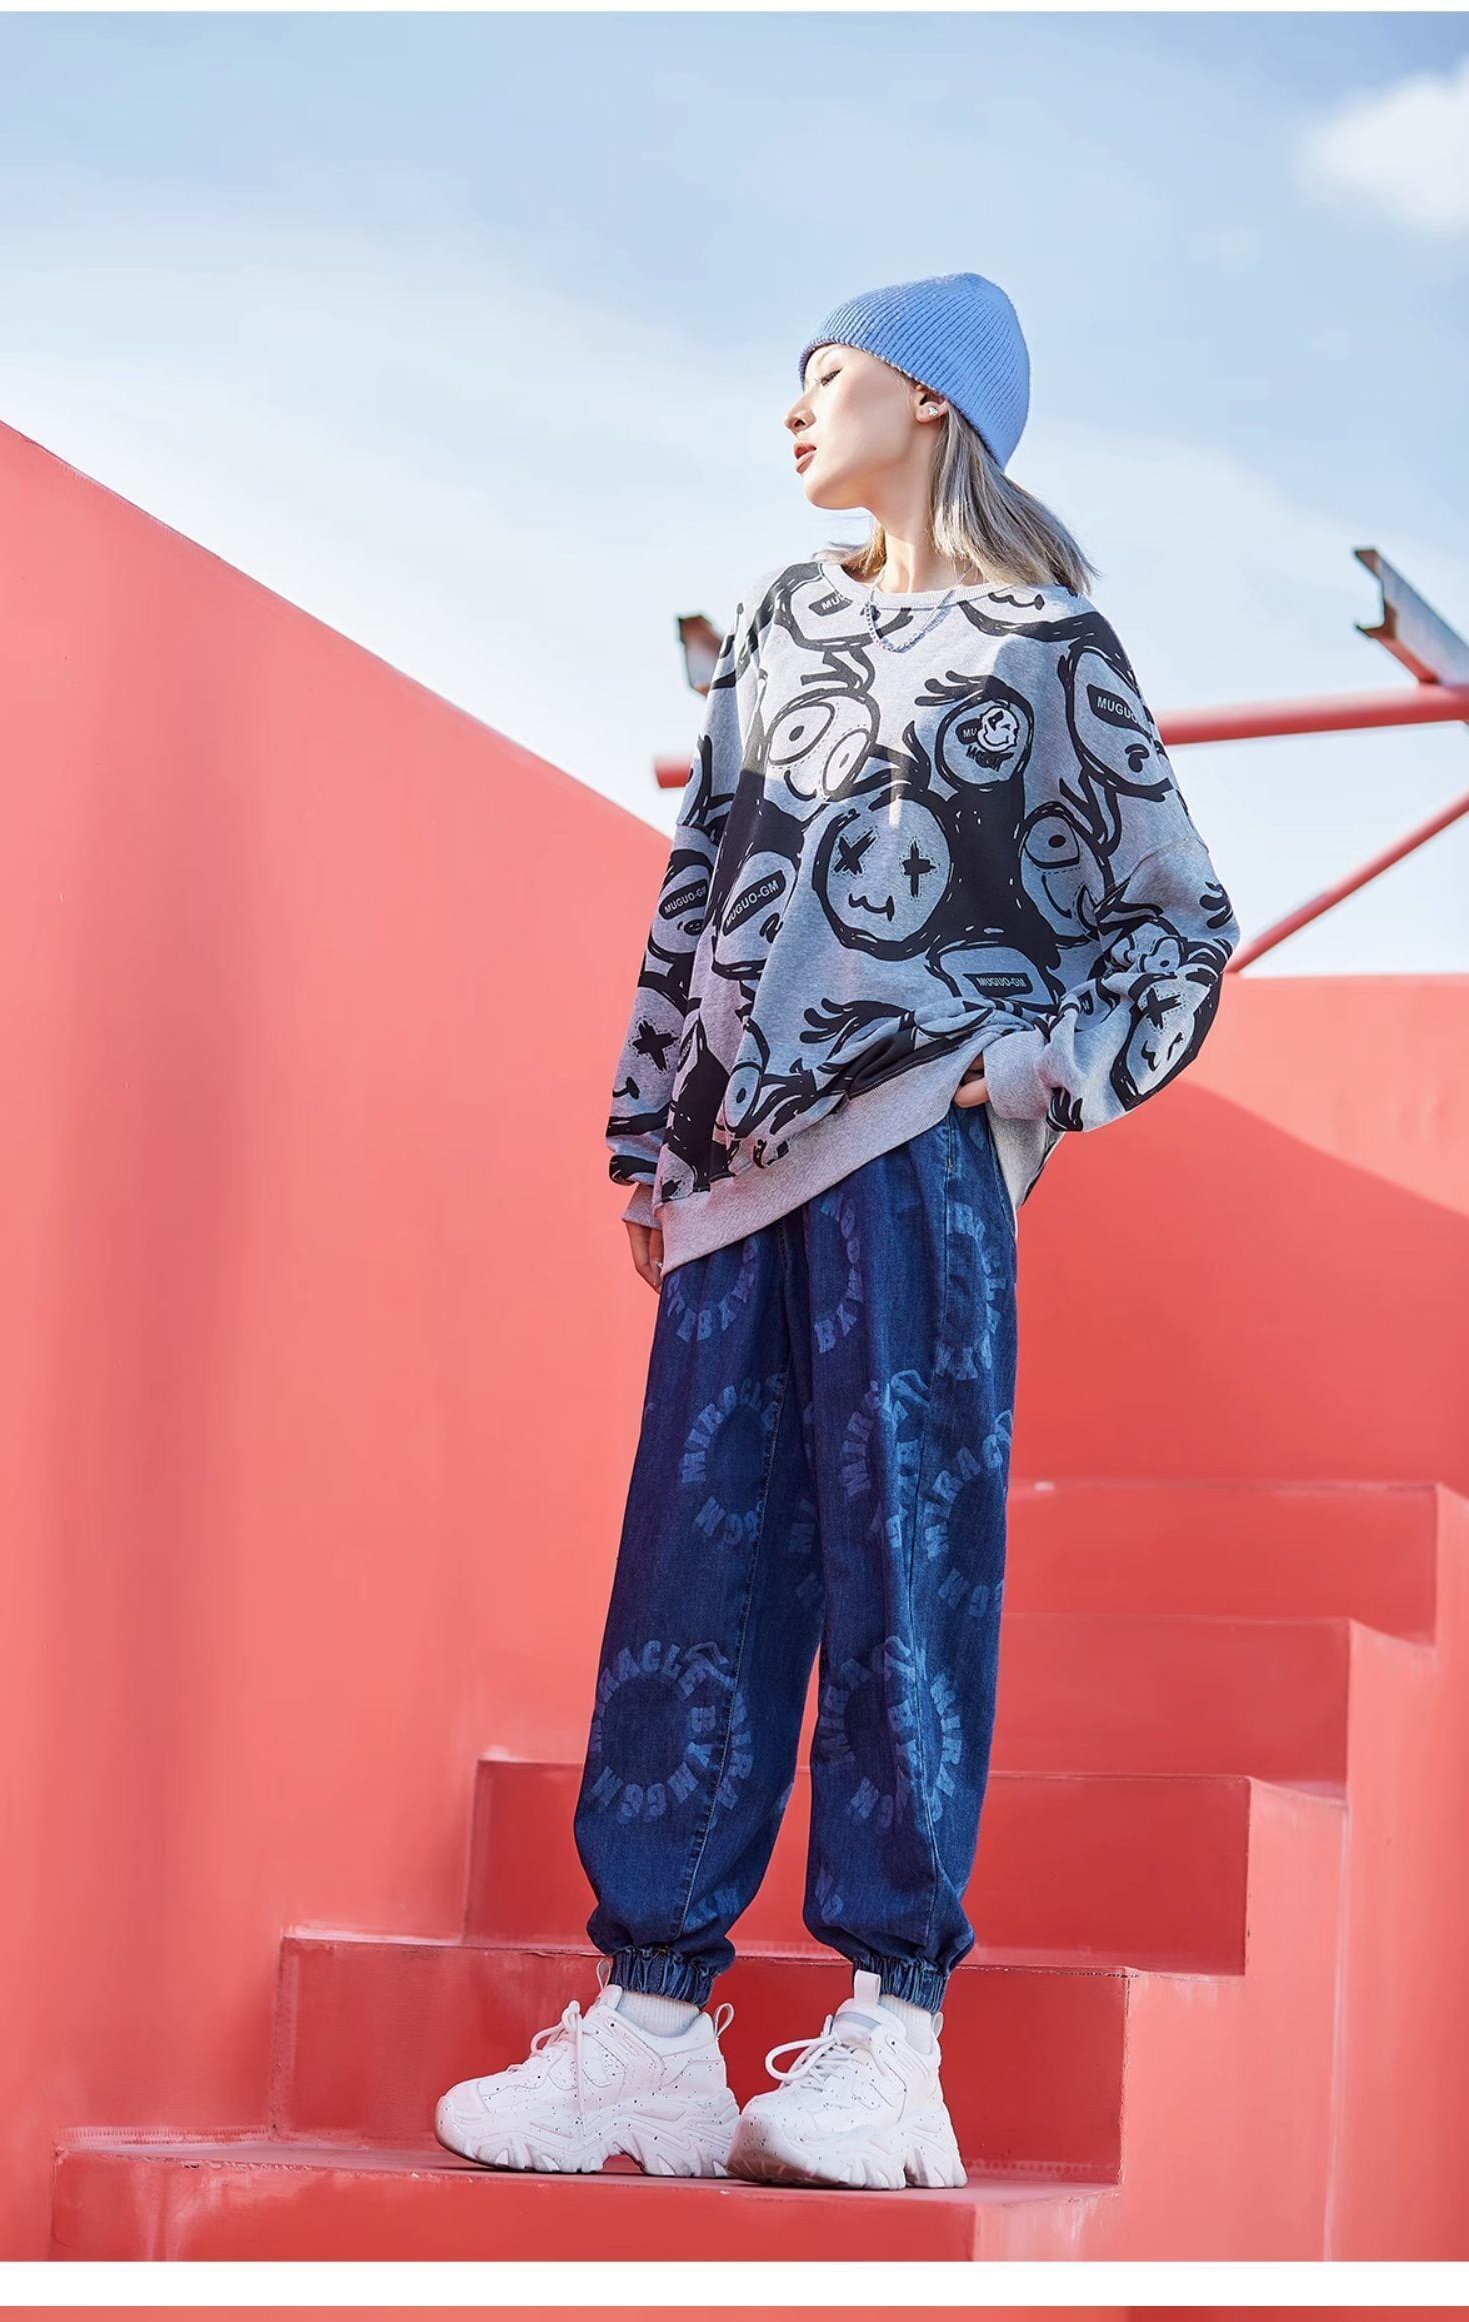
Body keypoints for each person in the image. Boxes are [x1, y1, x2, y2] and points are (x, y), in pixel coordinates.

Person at [435, 268, 1241, 2190]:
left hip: (912, 1165)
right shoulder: (782, 619)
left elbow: (1179, 924)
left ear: (934, 402)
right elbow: (700, 882)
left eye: (828, 373)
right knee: (689, 1583)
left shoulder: (1047, 649)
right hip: (737, 1172)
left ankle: (893, 2042)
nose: (795, 408)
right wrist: (651, 1139)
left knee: (906, 1572)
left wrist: (1034, 1070)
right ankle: (650, 2036)